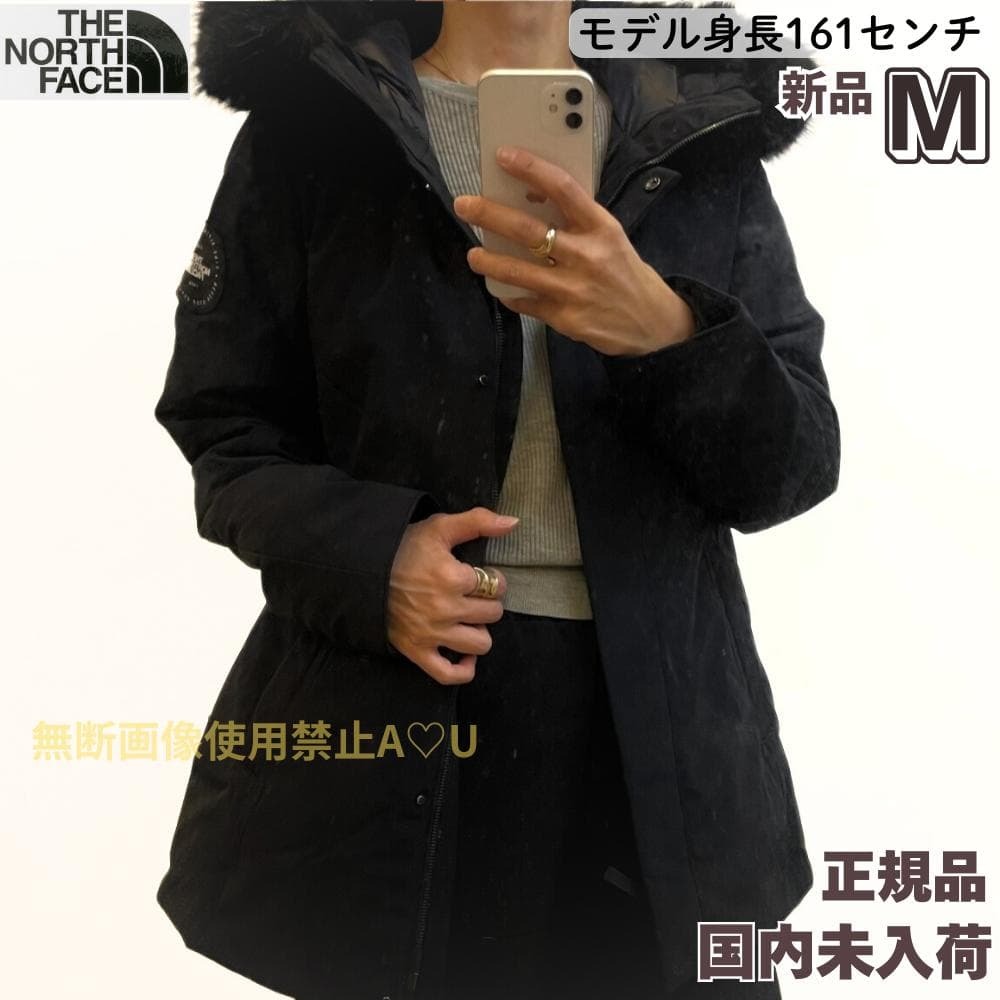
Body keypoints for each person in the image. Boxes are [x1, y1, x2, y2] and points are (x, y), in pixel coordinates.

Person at [154, 2, 839, 999]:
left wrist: (667, 329)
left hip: (659, 742)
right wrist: (371, 557)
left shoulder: (700, 136)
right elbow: (224, 423)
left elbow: (794, 466)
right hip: (387, 726)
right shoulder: (317, 127)